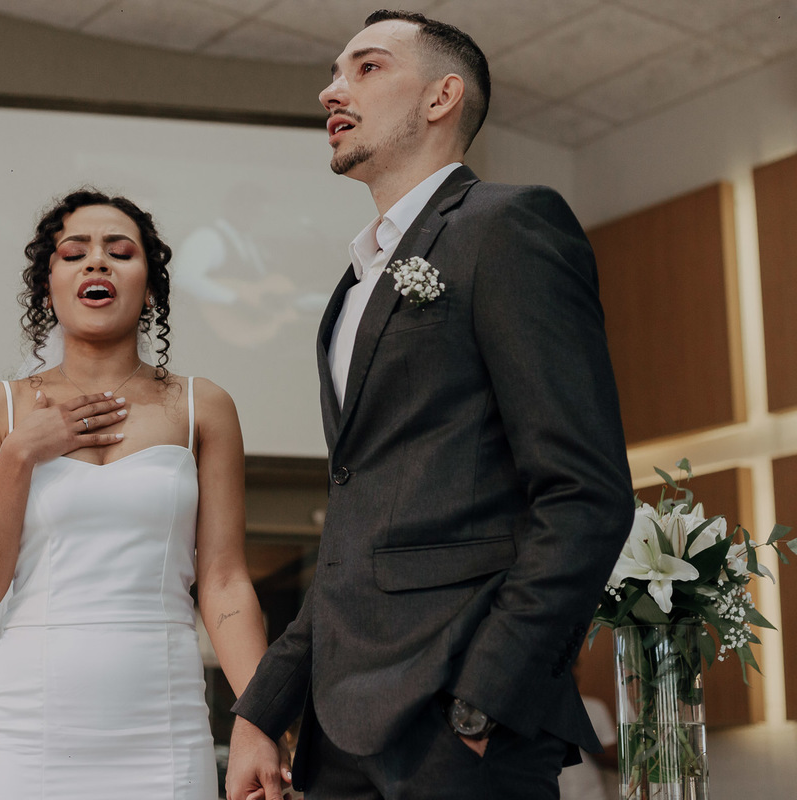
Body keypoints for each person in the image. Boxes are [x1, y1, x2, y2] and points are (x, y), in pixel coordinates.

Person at [226, 10, 634, 800]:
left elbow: (585, 495)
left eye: (366, 68)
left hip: (460, 725)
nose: (331, 90)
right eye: (335, 72)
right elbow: (358, 529)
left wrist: (484, 705)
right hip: (338, 733)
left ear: (443, 96)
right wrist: (260, 708)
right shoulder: (351, 291)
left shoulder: (508, 226)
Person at [0, 189, 269, 800]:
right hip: (27, 736)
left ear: (150, 286)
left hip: (164, 726)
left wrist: (259, 720)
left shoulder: (201, 408)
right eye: (74, 254)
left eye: (119, 252)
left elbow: (226, 581)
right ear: (48, 287)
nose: (96, 263)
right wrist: (20, 455)